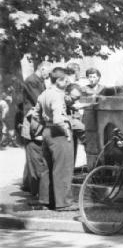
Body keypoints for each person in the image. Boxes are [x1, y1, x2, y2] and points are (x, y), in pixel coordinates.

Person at [32, 67, 77, 211]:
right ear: (58, 80)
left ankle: (46, 201)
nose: (67, 82)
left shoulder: (44, 93)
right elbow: (58, 119)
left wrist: (42, 127)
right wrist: (67, 132)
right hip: (59, 133)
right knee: (63, 168)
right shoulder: (57, 95)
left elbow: (35, 115)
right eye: (65, 80)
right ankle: (63, 203)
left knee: (47, 168)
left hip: (47, 131)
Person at [21, 61, 51, 192]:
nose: (48, 75)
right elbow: (39, 99)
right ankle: (31, 186)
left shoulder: (39, 80)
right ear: (42, 69)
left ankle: (28, 184)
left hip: (35, 116)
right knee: (33, 150)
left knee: (32, 153)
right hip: (32, 117)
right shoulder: (32, 80)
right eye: (48, 72)